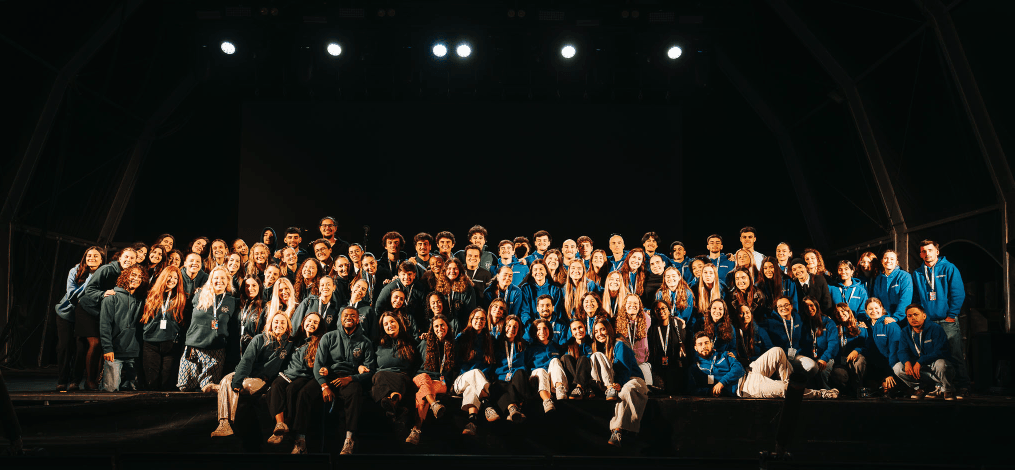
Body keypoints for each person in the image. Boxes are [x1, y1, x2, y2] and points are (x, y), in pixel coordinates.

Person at [211, 310, 294, 437]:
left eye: (283, 322)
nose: (279, 325)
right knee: (227, 380)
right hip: (246, 375)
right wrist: (237, 381)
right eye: (276, 322)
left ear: (287, 326)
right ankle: (224, 424)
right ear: (271, 324)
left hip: (261, 380)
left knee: (242, 385)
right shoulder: (259, 338)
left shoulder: (289, 344)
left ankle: (220, 388)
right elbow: (246, 360)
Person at [688, 332, 837, 400]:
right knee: (785, 388)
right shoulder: (696, 368)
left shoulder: (723, 355)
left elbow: (738, 369)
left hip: (749, 371)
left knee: (777, 351)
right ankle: (821, 394)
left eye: (706, 342)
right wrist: (710, 391)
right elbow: (693, 389)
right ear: (695, 348)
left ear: (711, 344)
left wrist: (721, 382)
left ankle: (789, 389)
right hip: (745, 387)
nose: (704, 346)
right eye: (700, 344)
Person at [314, 306, 378, 455]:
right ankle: (301, 440)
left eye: (353, 316)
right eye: (346, 315)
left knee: (355, 391)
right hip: (330, 376)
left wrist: (351, 378)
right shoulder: (329, 337)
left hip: (350, 378)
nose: (349, 317)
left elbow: (370, 370)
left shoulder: (365, 342)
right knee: (306, 392)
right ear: (340, 319)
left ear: (358, 320)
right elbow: (318, 364)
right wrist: (324, 386)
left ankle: (349, 438)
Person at [912, 239, 969, 398]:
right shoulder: (917, 273)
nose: (927, 254)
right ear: (920, 254)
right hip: (929, 322)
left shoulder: (949, 268)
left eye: (930, 250)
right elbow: (916, 298)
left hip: (946, 320)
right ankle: (940, 387)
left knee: (955, 353)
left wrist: (951, 315)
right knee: (933, 355)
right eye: (923, 251)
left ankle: (963, 386)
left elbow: (958, 293)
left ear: (937, 252)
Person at [78, 247, 136, 390]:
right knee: (96, 343)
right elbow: (89, 290)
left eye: (132, 258)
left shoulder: (130, 274)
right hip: (88, 309)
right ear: (120, 258)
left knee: (104, 345)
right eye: (126, 257)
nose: (128, 260)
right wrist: (102, 294)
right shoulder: (106, 269)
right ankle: (89, 380)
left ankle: (98, 380)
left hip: (103, 311)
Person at [266, 311, 324, 453]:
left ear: (320, 326)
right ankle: (280, 425)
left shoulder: (320, 341)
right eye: (309, 321)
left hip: (304, 376)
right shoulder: (294, 339)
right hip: (288, 374)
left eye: (315, 322)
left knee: (292, 390)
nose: (311, 324)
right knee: (275, 386)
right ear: (303, 322)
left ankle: (296, 436)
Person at [177, 267, 239, 392]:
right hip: (193, 347)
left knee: (208, 389)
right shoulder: (199, 295)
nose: (219, 281)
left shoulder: (232, 301)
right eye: (216, 278)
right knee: (184, 386)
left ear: (228, 281)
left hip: (215, 350)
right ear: (210, 280)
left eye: (223, 278)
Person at [589, 317, 647, 447]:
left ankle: (617, 431)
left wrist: (620, 383)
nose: (599, 334)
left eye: (602, 329)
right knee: (595, 356)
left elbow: (625, 369)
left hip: (631, 379)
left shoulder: (619, 344)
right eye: (596, 331)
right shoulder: (598, 349)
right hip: (612, 384)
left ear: (609, 330)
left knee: (626, 391)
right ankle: (609, 388)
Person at [54, 246, 104, 391]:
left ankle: (75, 381)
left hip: (85, 314)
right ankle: (62, 380)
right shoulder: (75, 270)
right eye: (89, 256)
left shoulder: (104, 273)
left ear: (102, 260)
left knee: (81, 348)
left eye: (95, 256)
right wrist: (91, 279)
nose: (91, 258)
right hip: (67, 313)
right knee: (64, 347)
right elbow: (72, 295)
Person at [371, 311, 422, 437]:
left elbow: (416, 364)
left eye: (392, 321)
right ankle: (394, 402)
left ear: (398, 322)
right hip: (381, 376)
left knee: (398, 379)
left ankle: (392, 402)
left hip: (402, 377)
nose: (389, 325)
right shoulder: (377, 344)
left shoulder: (410, 342)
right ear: (382, 327)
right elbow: (371, 364)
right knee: (379, 376)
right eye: (386, 324)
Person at [406, 314, 453, 445]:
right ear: (432, 328)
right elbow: (415, 364)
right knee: (425, 379)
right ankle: (434, 404)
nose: (439, 328)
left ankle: (416, 429)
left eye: (442, 325)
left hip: (439, 381)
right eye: (436, 326)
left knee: (426, 391)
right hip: (420, 377)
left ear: (448, 327)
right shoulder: (424, 343)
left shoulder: (451, 345)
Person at [99, 265, 146, 392]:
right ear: (125, 276)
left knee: (134, 391)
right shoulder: (112, 298)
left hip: (134, 353)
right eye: (133, 275)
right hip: (115, 352)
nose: (136, 278)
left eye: (140, 277)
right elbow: (105, 325)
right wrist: (107, 348)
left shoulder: (141, 300)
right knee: (110, 390)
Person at [141, 266, 187, 390]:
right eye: (169, 277)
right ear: (163, 277)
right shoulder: (150, 295)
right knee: (151, 381)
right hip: (151, 343)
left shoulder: (181, 298)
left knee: (167, 382)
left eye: (175, 278)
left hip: (171, 344)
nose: (172, 280)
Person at [896, 304, 954, 400]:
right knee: (898, 367)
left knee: (941, 363)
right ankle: (920, 388)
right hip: (920, 368)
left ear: (924, 316)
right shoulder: (905, 331)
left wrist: (920, 361)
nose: (913, 318)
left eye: (916, 314)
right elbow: (902, 351)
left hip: (934, 365)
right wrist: (906, 362)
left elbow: (940, 351)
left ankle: (946, 389)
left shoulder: (936, 328)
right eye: (909, 316)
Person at [454, 308, 496, 435]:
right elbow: (455, 361)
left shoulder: (489, 339)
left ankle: (472, 422)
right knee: (474, 373)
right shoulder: (462, 337)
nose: (479, 321)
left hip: (479, 382)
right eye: (476, 318)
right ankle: (486, 402)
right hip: (461, 379)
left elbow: (490, 364)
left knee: (472, 387)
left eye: (482, 319)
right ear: (471, 320)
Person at [764, 296, 816, 377]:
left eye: (786, 305)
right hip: (780, 360)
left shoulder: (798, 318)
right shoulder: (770, 322)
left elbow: (805, 339)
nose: (783, 308)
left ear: (791, 306)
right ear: (777, 309)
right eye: (780, 306)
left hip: (796, 356)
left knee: (813, 366)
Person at [866, 298, 906, 397]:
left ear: (882, 308)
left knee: (889, 389)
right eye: (870, 309)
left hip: (890, 366)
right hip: (874, 367)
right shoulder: (865, 326)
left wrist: (889, 374)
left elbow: (895, 352)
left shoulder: (890, 325)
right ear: (866, 311)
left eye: (876, 308)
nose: (874, 311)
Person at [798, 296, 840, 390]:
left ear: (816, 305)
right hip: (809, 357)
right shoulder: (803, 323)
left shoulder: (828, 322)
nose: (809, 309)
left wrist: (824, 358)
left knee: (821, 372)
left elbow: (833, 343)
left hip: (826, 357)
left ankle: (827, 394)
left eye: (811, 305)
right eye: (806, 307)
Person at [647, 300, 688, 394]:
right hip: (658, 368)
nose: (661, 311)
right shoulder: (652, 328)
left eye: (663, 308)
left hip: (675, 367)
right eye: (657, 310)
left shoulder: (678, 324)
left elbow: (684, 344)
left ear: (669, 310)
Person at [527, 319, 567, 413]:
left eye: (545, 328)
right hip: (538, 378)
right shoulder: (530, 348)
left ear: (549, 330)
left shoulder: (556, 346)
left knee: (555, 360)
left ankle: (560, 389)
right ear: (534, 332)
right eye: (538, 329)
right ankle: (547, 401)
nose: (542, 331)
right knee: (541, 370)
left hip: (553, 379)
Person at [830, 303, 869, 397]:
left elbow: (866, 345)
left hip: (854, 361)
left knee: (860, 360)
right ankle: (846, 392)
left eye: (843, 311)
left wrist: (856, 351)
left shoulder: (860, 327)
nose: (840, 314)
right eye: (837, 313)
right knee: (838, 374)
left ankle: (858, 389)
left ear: (848, 312)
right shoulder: (835, 329)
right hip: (841, 363)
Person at [435, 258, 477, 335]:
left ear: (460, 270)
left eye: (455, 268)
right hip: (443, 327)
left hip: (462, 328)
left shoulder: (468, 288)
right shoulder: (440, 287)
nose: (452, 271)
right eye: (449, 268)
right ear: (445, 271)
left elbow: (470, 312)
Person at [870, 249, 913, 323]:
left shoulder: (904, 276)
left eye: (892, 259)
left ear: (896, 262)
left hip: (901, 321)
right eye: (885, 258)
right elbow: (876, 301)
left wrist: (896, 318)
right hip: (883, 320)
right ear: (882, 261)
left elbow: (905, 299)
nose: (888, 261)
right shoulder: (878, 279)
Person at [519, 259, 564, 326]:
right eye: (535, 270)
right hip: (532, 325)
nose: (538, 272)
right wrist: (532, 327)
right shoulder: (526, 288)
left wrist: (548, 327)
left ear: (546, 272)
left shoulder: (555, 289)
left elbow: (557, 312)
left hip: (551, 325)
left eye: (541, 269)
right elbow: (525, 312)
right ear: (532, 274)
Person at [560, 319, 595, 399]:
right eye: (574, 329)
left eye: (580, 327)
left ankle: (580, 387)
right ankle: (580, 387)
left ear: (585, 327)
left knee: (583, 359)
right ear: (571, 333)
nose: (578, 331)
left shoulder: (593, 343)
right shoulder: (568, 346)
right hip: (573, 382)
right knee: (565, 357)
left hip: (591, 377)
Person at [830, 260, 870, 325]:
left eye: (846, 269)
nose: (843, 272)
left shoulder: (861, 290)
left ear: (852, 271)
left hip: (855, 324)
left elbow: (863, 311)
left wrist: (861, 322)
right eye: (840, 269)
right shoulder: (831, 288)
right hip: (837, 325)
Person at [237, 275, 266, 355]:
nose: (250, 288)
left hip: (253, 351)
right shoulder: (238, 303)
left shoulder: (264, 306)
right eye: (247, 286)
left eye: (254, 285)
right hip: (235, 350)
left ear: (259, 286)